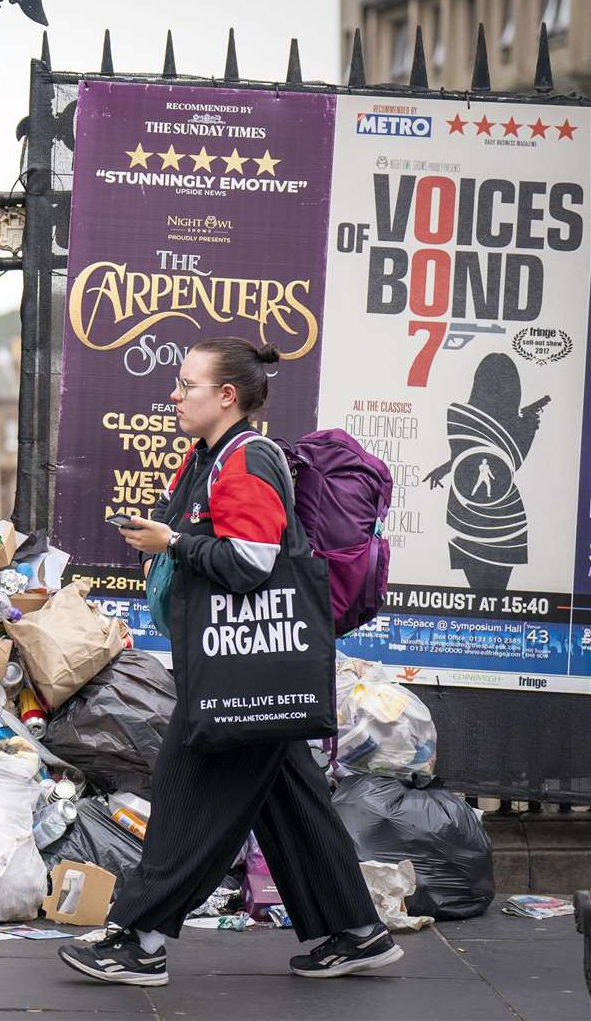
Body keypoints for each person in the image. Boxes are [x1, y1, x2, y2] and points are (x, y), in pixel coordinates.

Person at [59, 337, 397, 987]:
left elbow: (250, 564)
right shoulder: (206, 457)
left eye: (186, 384)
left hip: (240, 672)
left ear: (226, 396)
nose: (173, 395)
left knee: (189, 797)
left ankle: (141, 939)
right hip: (245, 670)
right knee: (290, 799)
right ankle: (355, 931)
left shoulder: (246, 459)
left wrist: (173, 543)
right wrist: (162, 539)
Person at [424, 354, 544, 592]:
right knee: (494, 595)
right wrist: (527, 428)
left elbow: (470, 454)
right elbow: (506, 463)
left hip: (465, 510)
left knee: (479, 592)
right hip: (505, 513)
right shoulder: (516, 424)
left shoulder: (457, 414)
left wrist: (445, 468)